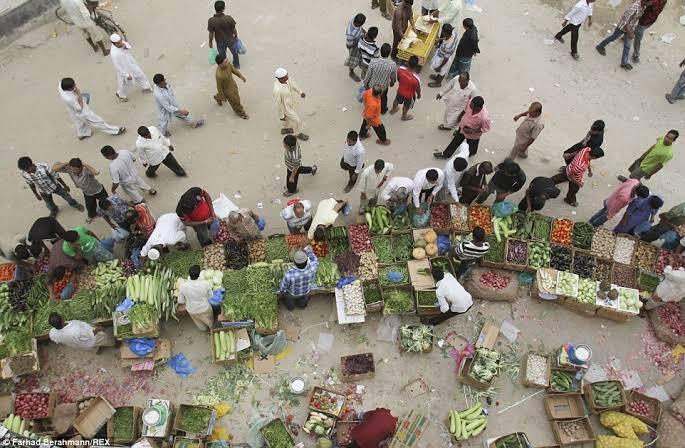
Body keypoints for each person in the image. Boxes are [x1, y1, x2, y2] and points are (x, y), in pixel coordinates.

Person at [59, 77, 125, 140]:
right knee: (98, 122)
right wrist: (79, 95)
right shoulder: (69, 99)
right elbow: (79, 109)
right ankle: (115, 130)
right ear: (68, 89)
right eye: (73, 87)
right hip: (82, 111)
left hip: (72, 110)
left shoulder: (61, 84)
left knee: (79, 121)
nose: (75, 87)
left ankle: (82, 133)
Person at [18, 157, 83, 218]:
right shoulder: (24, 173)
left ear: (31, 165)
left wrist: (65, 186)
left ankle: (75, 205)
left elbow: (56, 176)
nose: (27, 171)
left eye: (27, 169)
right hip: (43, 191)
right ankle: (54, 210)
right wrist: (36, 194)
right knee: (49, 204)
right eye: (25, 170)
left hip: (55, 186)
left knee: (67, 197)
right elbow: (30, 183)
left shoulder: (44, 167)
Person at [595, 0, 649, 71]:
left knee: (627, 46)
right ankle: (600, 46)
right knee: (613, 37)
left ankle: (624, 63)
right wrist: (630, 33)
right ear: (645, 1)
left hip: (630, 27)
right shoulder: (634, 8)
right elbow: (625, 22)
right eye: (650, 2)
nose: (651, 4)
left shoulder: (643, 6)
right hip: (623, 27)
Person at [52, 159, 106, 223]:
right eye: (72, 169)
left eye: (75, 170)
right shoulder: (69, 169)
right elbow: (54, 169)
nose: (73, 171)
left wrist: (85, 164)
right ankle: (91, 216)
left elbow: (96, 172)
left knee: (105, 203)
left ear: (81, 167)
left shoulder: (85, 170)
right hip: (87, 193)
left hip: (98, 190)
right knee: (90, 206)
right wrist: (67, 163)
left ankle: (107, 212)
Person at [109, 33, 151, 102]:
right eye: (118, 43)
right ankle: (120, 94)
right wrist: (126, 75)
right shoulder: (114, 54)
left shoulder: (121, 43)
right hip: (124, 70)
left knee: (140, 74)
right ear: (114, 44)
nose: (120, 43)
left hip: (131, 64)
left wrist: (125, 46)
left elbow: (129, 47)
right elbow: (117, 67)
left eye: (120, 41)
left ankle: (146, 87)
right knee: (126, 84)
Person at [279, 243, 320, 311]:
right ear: (307, 261)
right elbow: (315, 259)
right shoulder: (313, 267)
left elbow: (283, 288)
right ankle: (302, 306)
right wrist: (306, 248)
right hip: (306, 291)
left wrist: (282, 291)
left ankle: (291, 308)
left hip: (293, 293)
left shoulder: (289, 274)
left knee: (290, 301)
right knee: (303, 300)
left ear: (294, 262)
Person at [48, 313, 114, 352]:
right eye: (61, 316)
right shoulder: (75, 330)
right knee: (104, 338)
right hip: (90, 338)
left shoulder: (52, 333)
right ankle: (114, 343)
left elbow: (57, 340)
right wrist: (98, 329)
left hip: (77, 344)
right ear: (62, 321)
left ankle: (97, 349)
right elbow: (90, 335)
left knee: (90, 347)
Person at [178, 265, 214, 330]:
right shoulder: (205, 283)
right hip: (204, 308)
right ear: (199, 274)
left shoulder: (183, 286)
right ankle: (212, 330)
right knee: (210, 322)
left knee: (199, 323)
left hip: (191, 310)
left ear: (189, 275)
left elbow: (181, 301)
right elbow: (211, 296)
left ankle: (204, 329)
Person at [364, 43, 397, 114]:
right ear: (389, 53)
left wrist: (366, 84)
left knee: (371, 97)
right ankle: (383, 110)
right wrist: (392, 83)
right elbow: (393, 77)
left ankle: (370, 108)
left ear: (380, 51)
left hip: (372, 86)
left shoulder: (373, 61)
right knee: (383, 98)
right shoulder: (392, 65)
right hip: (383, 87)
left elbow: (368, 75)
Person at [214, 53, 249, 119]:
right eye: (225, 62)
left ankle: (217, 97)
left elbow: (234, 70)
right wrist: (223, 97)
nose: (227, 62)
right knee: (235, 101)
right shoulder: (219, 75)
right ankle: (241, 112)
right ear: (220, 65)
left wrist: (240, 76)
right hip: (228, 91)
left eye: (226, 60)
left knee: (233, 96)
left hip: (233, 85)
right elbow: (219, 87)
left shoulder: (227, 64)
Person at [207, 1, 240, 68]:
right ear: (223, 9)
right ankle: (236, 66)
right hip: (231, 40)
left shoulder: (211, 21)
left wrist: (210, 42)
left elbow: (211, 33)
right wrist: (236, 36)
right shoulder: (229, 18)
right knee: (235, 53)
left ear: (215, 8)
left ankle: (226, 67)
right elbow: (234, 30)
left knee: (222, 56)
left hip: (220, 42)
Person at [390, 56, 421, 121]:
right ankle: (403, 116)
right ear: (416, 66)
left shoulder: (400, 69)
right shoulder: (416, 79)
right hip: (409, 95)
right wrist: (419, 95)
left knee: (396, 100)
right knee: (406, 106)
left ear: (407, 62)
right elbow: (417, 89)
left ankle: (393, 109)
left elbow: (398, 78)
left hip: (400, 91)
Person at [345, 13, 367, 81]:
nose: (361, 26)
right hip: (354, 48)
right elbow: (348, 46)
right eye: (361, 25)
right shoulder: (350, 34)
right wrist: (359, 39)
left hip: (358, 44)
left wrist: (363, 31)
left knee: (360, 56)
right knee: (352, 61)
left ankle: (360, 64)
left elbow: (360, 28)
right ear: (358, 24)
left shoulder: (354, 19)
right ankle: (351, 72)